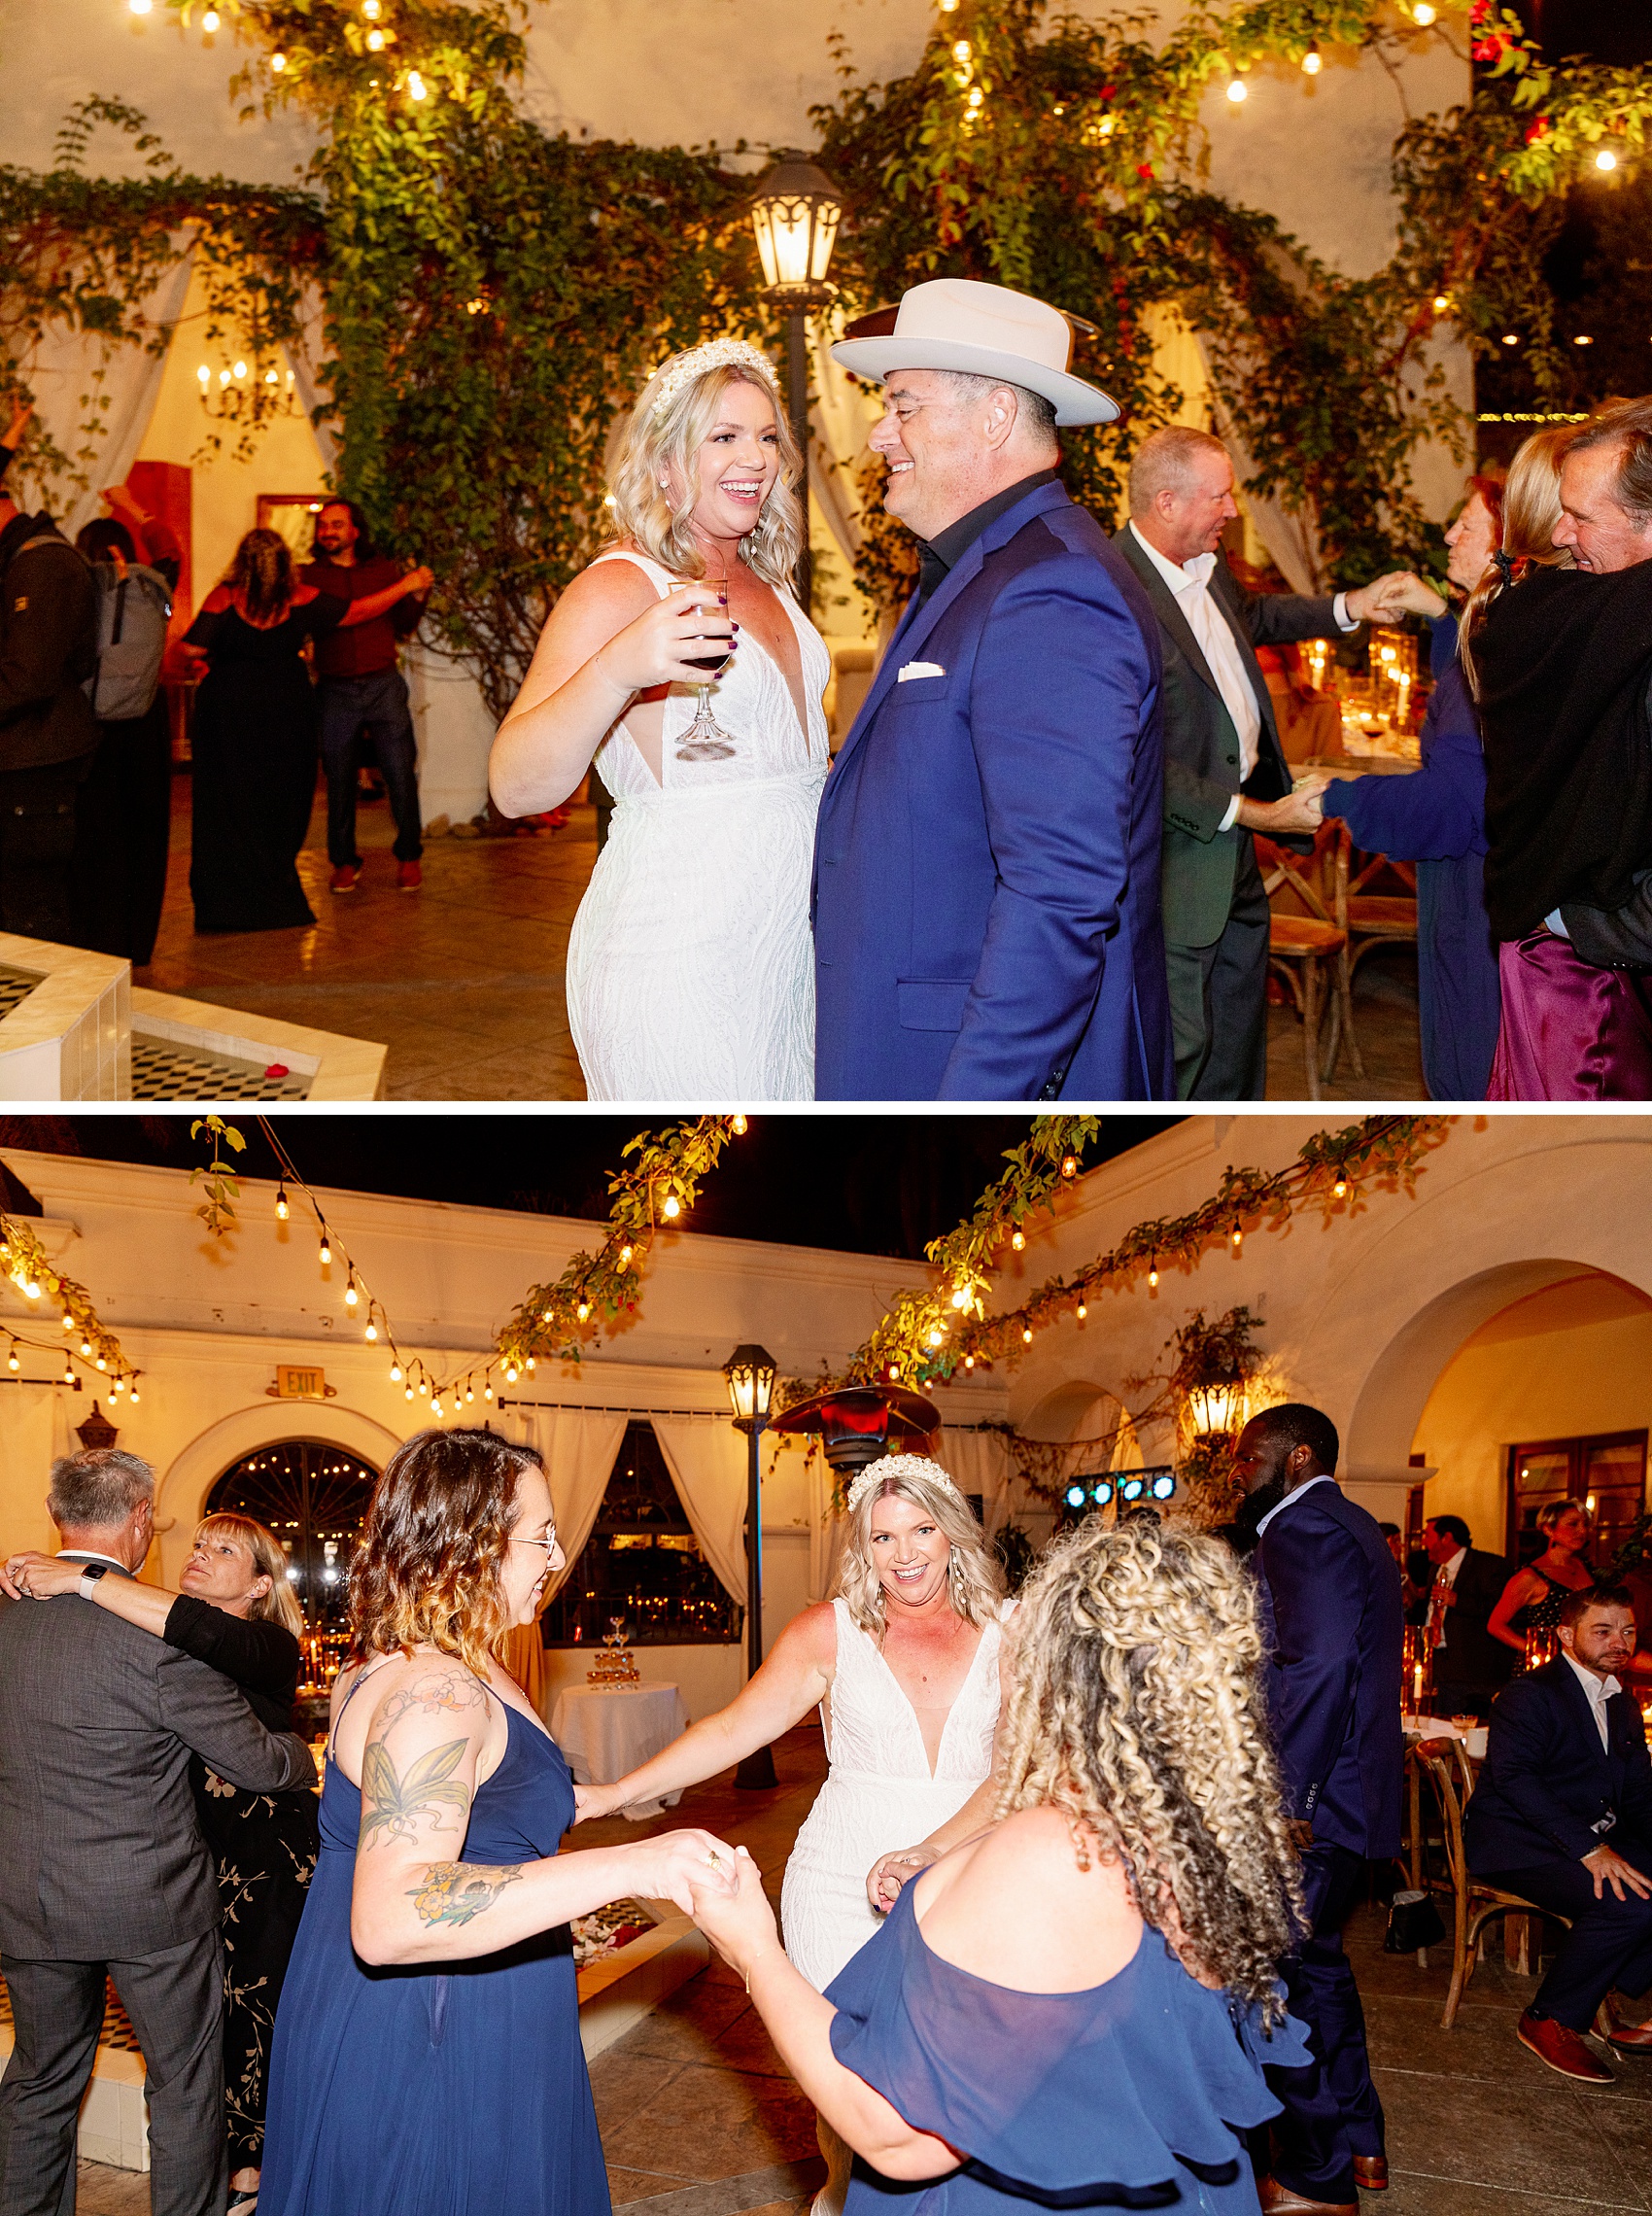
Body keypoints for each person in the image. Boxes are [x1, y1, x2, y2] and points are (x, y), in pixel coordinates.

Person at [685, 1509, 1311, 2216]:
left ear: (1059, 1672)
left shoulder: (1052, 1853)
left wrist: (754, 1948)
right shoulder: (1206, 1840)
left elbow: (900, 2136)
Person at [258, 1425, 733, 2216]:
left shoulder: (447, 1661)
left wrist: (585, 1797)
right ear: (468, 1546)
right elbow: (392, 1914)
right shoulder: (436, 1692)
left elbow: (479, 1804)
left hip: (469, 1995)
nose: (557, 1557)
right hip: (433, 2025)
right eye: (540, 1537)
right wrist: (636, 1864)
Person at [573, 1454, 1013, 2214]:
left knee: (962, 2086)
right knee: (849, 2092)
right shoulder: (829, 1632)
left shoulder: (1011, 1633)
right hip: (841, 1887)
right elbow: (732, 1729)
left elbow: (1016, 1770)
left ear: (952, 1534)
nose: (904, 1554)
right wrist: (616, 1791)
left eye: (921, 1530)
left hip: (968, 1876)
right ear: (862, 1548)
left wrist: (931, 1850)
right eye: (882, 1537)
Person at [816, 279, 1172, 1101]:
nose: (879, 434)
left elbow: (1059, 894)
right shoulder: (993, 568)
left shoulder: (1049, 591)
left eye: (904, 407)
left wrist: (971, 1113)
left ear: (996, 415)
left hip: (963, 1069)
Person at [490, 337, 828, 1100]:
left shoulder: (768, 578)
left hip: (788, 957)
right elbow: (515, 786)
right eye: (725, 436)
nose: (755, 458)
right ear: (667, 464)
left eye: (767, 436)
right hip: (678, 956)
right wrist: (619, 668)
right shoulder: (620, 586)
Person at [0, 1448, 315, 2216]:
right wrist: (301, 1752)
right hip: (151, 1904)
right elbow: (259, 1764)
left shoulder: (5, 1621)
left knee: (39, 2081)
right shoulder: (160, 1643)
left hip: (24, 1892)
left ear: (58, 1516)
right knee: (183, 2086)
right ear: (141, 1519)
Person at [1113, 427, 1422, 1099]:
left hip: (1239, 862)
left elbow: (1257, 616)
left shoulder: (1209, 564)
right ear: (1166, 503)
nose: (1233, 510)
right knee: (1180, 1055)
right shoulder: (1109, 591)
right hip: (1172, 868)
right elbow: (1130, 759)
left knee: (1237, 1050)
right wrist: (1252, 812)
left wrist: (1352, 606)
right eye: (1219, 497)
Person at [1279, 475, 1505, 1101]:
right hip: (1484, 885)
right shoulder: (1497, 637)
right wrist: (1442, 615)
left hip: (1474, 893)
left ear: (1506, 546)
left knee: (1474, 1066)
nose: (1449, 535)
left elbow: (1450, 803)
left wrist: (1340, 796)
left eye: (1467, 525)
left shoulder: (1493, 653)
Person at [1229, 1402, 1403, 2216]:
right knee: (1318, 1971)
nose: (1240, 1473)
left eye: (1248, 1457)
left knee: (1271, 1988)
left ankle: (1314, 2174)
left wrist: (1287, 1795)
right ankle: (1361, 2140)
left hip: (1314, 1803)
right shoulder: (1346, 1522)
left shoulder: (1304, 1529)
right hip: (1344, 1799)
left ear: (1297, 1456)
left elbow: (1319, 1668)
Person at [1465, 408, 1652, 1096]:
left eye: (1581, 517)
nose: (1560, 535)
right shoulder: (1605, 619)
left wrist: (1573, 924)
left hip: (1600, 993)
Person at [183, 528, 430, 934]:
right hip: (286, 712)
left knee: (228, 800)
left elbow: (191, 648)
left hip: (230, 713)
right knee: (284, 799)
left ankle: (226, 904)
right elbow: (356, 612)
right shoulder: (299, 597)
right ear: (284, 563)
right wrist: (405, 586)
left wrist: (208, 661)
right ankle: (276, 896)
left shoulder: (224, 598)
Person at [1463, 1586, 1652, 2084]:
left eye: (1628, 1631)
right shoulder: (1531, 1694)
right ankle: (1549, 2019)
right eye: (1603, 1630)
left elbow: (1638, 1793)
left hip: (1579, 1835)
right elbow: (1515, 1780)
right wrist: (1592, 1850)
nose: (1619, 1642)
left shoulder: (1621, 1702)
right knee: (1630, 1903)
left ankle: (1601, 1984)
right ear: (1567, 1635)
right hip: (1515, 1842)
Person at [298, 498, 431, 897]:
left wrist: (418, 594)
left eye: (337, 524)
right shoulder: (309, 577)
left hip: (383, 684)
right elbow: (344, 615)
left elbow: (403, 624)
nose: (328, 532)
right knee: (339, 779)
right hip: (334, 688)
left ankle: (409, 856)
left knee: (399, 773)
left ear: (355, 531)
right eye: (324, 525)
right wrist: (405, 586)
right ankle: (343, 862)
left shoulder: (383, 571)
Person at [68, 508, 178, 965]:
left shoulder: (75, 590)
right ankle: (137, 942)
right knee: (145, 833)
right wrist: (135, 508)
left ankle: (98, 940)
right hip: (146, 722)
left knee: (95, 836)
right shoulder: (154, 586)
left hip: (88, 726)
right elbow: (170, 550)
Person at [0, 462, 98, 941]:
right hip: (22, 756)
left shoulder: (42, 564)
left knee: (30, 917)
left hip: (36, 764)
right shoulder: (20, 560)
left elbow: (28, 677)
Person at [1420, 1512, 1515, 1720]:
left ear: (1446, 1538)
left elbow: (1502, 1612)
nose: (1423, 1542)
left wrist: (1458, 1601)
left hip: (1476, 1672)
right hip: (1442, 1668)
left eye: (1427, 1535)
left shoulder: (1490, 1566)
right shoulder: (1435, 1569)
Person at [1489, 1498, 1597, 1658]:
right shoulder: (1531, 1576)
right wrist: (1538, 1652)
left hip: (1584, 1660)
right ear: (1548, 1530)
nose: (1582, 1531)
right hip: (1548, 1665)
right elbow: (1495, 1625)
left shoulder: (1584, 1567)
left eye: (1586, 1525)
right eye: (1573, 1524)